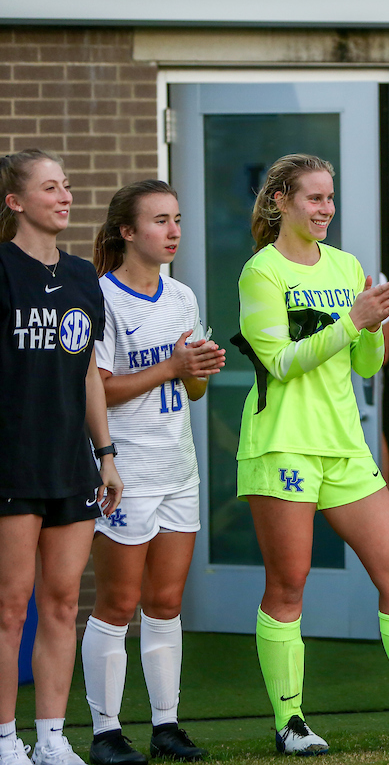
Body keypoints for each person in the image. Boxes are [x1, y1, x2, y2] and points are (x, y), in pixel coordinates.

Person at [233, 153, 389, 751]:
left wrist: (375, 327)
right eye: (314, 198)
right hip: (281, 442)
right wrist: (354, 319)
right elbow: (280, 362)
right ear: (281, 203)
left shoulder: (348, 267)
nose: (326, 210)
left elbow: (367, 364)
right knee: (289, 582)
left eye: (330, 198)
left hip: (344, 443)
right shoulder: (260, 273)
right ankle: (289, 723)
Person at [83, 181, 226, 765]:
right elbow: (98, 390)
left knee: (166, 601)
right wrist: (172, 364)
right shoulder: (100, 298)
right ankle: (105, 731)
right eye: (159, 221)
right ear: (126, 232)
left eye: (177, 220)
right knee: (117, 602)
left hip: (178, 466)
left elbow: (190, 390)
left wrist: (198, 369)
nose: (173, 232)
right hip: (125, 469)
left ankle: (166, 726)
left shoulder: (182, 296)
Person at [0, 149, 122, 765]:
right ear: (15, 201)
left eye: (68, 186)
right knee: (10, 603)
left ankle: (50, 735)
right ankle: (4, 739)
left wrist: (105, 454)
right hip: (11, 464)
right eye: (50, 188)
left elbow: (88, 376)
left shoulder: (82, 278)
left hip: (71, 463)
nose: (65, 196)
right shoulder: (0, 268)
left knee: (63, 602)